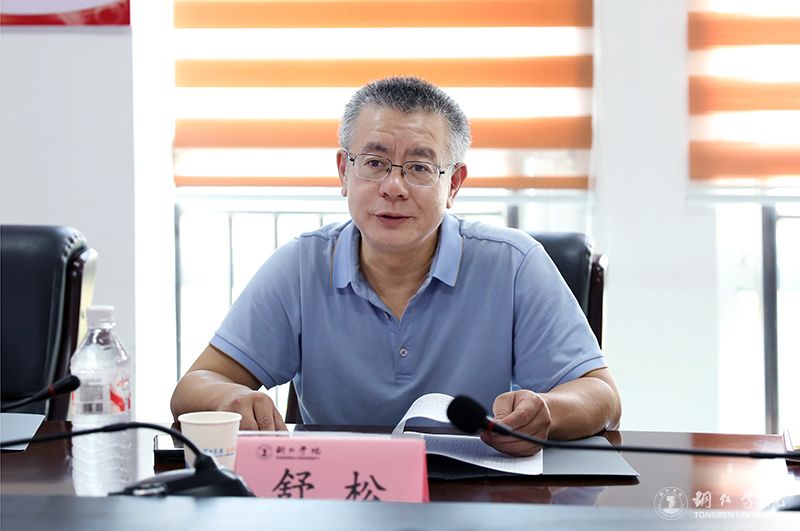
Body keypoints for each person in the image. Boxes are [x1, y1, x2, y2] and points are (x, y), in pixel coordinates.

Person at [171, 76, 621, 456]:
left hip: (475, 497)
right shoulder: (301, 265)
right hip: (338, 500)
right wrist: (231, 398)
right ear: (344, 172)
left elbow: (602, 397)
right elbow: (193, 386)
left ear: (454, 184)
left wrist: (547, 412)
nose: (393, 187)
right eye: (374, 163)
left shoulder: (514, 264)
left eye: (419, 168)